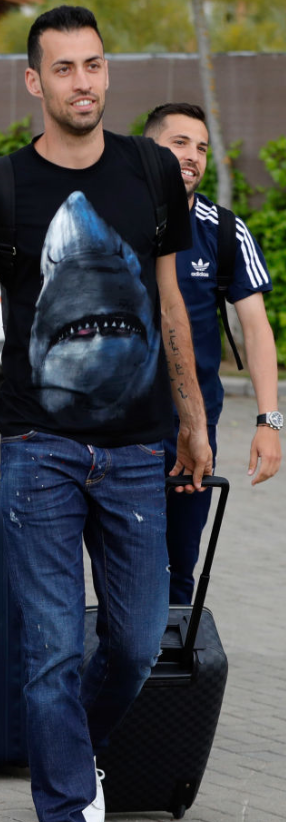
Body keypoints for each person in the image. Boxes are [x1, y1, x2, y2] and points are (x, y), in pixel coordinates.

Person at [0, 6, 212, 822]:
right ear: (34, 81)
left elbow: (169, 303)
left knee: (137, 642)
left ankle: (75, 753)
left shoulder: (152, 171)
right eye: (64, 68)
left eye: (94, 65)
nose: (83, 82)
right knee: (47, 652)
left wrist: (192, 420)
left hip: (139, 451)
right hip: (38, 449)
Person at [143, 103, 281, 604]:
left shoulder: (224, 231)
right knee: (121, 561)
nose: (193, 156)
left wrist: (269, 421)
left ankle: (171, 651)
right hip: (119, 431)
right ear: (149, 149)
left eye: (201, 147)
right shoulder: (117, 219)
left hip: (194, 430)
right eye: (179, 142)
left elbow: (257, 329)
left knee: (179, 565)